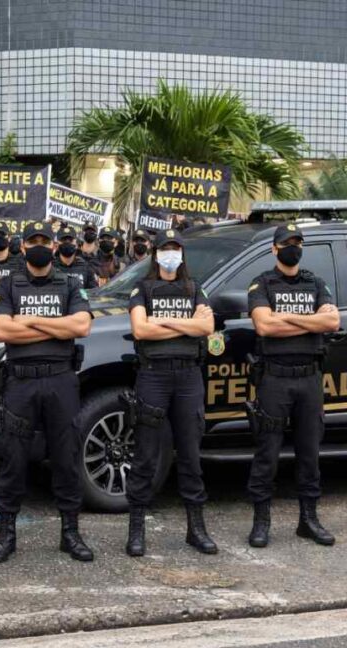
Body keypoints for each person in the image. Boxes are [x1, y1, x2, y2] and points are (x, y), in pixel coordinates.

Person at [0, 221, 94, 564]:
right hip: (21, 382)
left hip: (61, 381)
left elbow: (81, 326)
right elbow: (2, 330)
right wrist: (54, 328)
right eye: (32, 240)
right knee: (14, 459)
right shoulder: (9, 284)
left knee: (66, 457)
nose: (39, 245)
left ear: (53, 245)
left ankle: (70, 533)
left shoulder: (70, 283)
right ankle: (6, 534)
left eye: (44, 240)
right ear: (23, 246)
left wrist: (28, 321)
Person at [246, 223, 340, 548]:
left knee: (309, 452)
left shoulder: (315, 281)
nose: (293, 247)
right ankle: (261, 522)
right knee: (267, 453)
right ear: (274, 249)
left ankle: (309, 520)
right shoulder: (262, 283)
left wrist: (284, 318)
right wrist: (309, 321)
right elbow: (264, 326)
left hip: (309, 378)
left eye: (297, 242)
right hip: (275, 378)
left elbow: (331, 321)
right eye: (287, 242)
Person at [125, 229, 216, 557]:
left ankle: (197, 528)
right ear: (156, 253)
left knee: (191, 454)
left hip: (188, 377)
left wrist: (161, 323)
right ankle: (136, 528)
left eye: (176, 248)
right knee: (146, 454)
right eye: (166, 248)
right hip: (154, 376)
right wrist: (185, 323)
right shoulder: (143, 287)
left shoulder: (195, 287)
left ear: (182, 253)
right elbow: (140, 329)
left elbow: (207, 328)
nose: (171, 253)